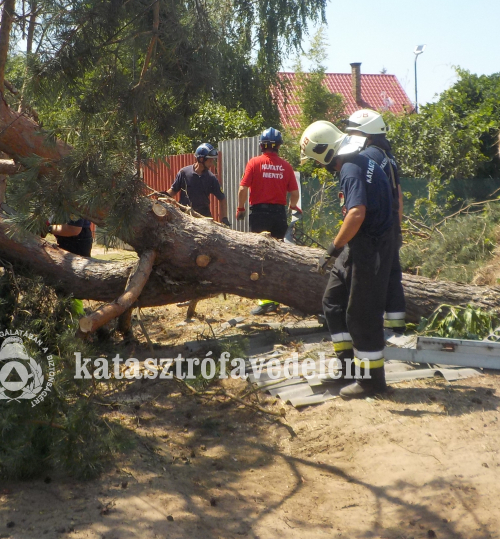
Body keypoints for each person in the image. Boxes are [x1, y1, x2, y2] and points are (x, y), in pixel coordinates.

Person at [300, 120, 394, 398]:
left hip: (372, 248)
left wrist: (333, 249)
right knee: (333, 301)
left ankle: (372, 380)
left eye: (317, 160)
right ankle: (347, 370)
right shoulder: (357, 161)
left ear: (325, 152)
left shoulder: (351, 168)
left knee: (362, 313)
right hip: (361, 244)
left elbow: (356, 214)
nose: (318, 166)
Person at [344, 109, 406, 341]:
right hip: (390, 225)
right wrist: (396, 229)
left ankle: (369, 329)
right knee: (392, 274)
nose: (350, 136)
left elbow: (364, 197)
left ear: (366, 133)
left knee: (373, 276)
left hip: (376, 228)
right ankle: (397, 328)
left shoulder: (368, 155)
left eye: (353, 131)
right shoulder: (388, 156)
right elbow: (398, 196)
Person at [237, 127, 301, 315]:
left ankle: (266, 300)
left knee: (260, 256)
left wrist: (240, 208)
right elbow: (295, 194)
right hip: (279, 215)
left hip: (259, 215)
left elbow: (242, 189)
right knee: (277, 255)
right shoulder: (286, 166)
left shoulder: (254, 163)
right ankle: (277, 296)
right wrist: (292, 206)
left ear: (262, 146)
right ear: (278, 147)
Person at [167, 143, 227, 220]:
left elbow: (222, 198)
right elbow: (173, 190)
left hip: (204, 218)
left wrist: (224, 218)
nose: (212, 164)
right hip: (184, 217)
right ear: (201, 159)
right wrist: (163, 195)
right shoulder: (184, 173)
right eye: (210, 160)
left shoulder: (211, 178)